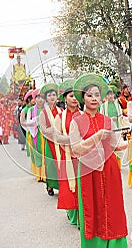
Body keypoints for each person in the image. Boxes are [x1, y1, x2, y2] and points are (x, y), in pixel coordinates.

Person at [69, 73, 132, 248]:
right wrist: (96, 137)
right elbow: (76, 149)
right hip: (88, 171)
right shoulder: (77, 121)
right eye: (89, 94)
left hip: (110, 168)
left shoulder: (106, 120)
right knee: (93, 207)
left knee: (113, 207)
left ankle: (115, 243)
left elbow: (116, 145)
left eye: (97, 94)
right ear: (82, 97)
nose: (94, 98)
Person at [53, 79, 81, 226]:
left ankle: (83, 214)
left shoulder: (83, 114)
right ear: (65, 98)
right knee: (71, 185)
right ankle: (73, 214)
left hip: (82, 155)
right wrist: (72, 140)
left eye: (76, 96)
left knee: (83, 185)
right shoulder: (60, 117)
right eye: (71, 96)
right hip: (68, 155)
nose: (74, 99)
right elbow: (57, 136)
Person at [39, 83, 62, 196]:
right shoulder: (43, 113)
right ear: (46, 99)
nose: (52, 97)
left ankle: (62, 185)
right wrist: (54, 129)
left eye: (54, 94)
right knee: (51, 164)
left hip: (60, 142)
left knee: (61, 163)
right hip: (50, 142)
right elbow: (43, 129)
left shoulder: (61, 110)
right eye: (49, 95)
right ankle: (50, 185)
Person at [25, 89, 47, 182]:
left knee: (45, 154)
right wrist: (36, 121)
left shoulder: (47, 110)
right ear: (35, 99)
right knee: (37, 154)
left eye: (42, 97)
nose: (40, 100)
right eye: (38, 97)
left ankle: (45, 175)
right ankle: (39, 175)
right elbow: (27, 122)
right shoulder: (30, 110)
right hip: (35, 134)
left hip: (45, 135)